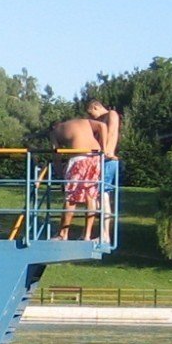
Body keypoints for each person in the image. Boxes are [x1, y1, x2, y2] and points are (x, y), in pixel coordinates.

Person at [51, 99, 121, 241]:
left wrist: (59, 174)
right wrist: (102, 149)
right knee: (91, 196)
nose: (92, 116)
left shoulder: (54, 131)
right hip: (95, 158)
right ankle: (87, 235)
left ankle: (62, 234)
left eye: (91, 113)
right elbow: (102, 126)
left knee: (71, 197)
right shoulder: (84, 122)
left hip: (80, 159)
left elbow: (56, 154)